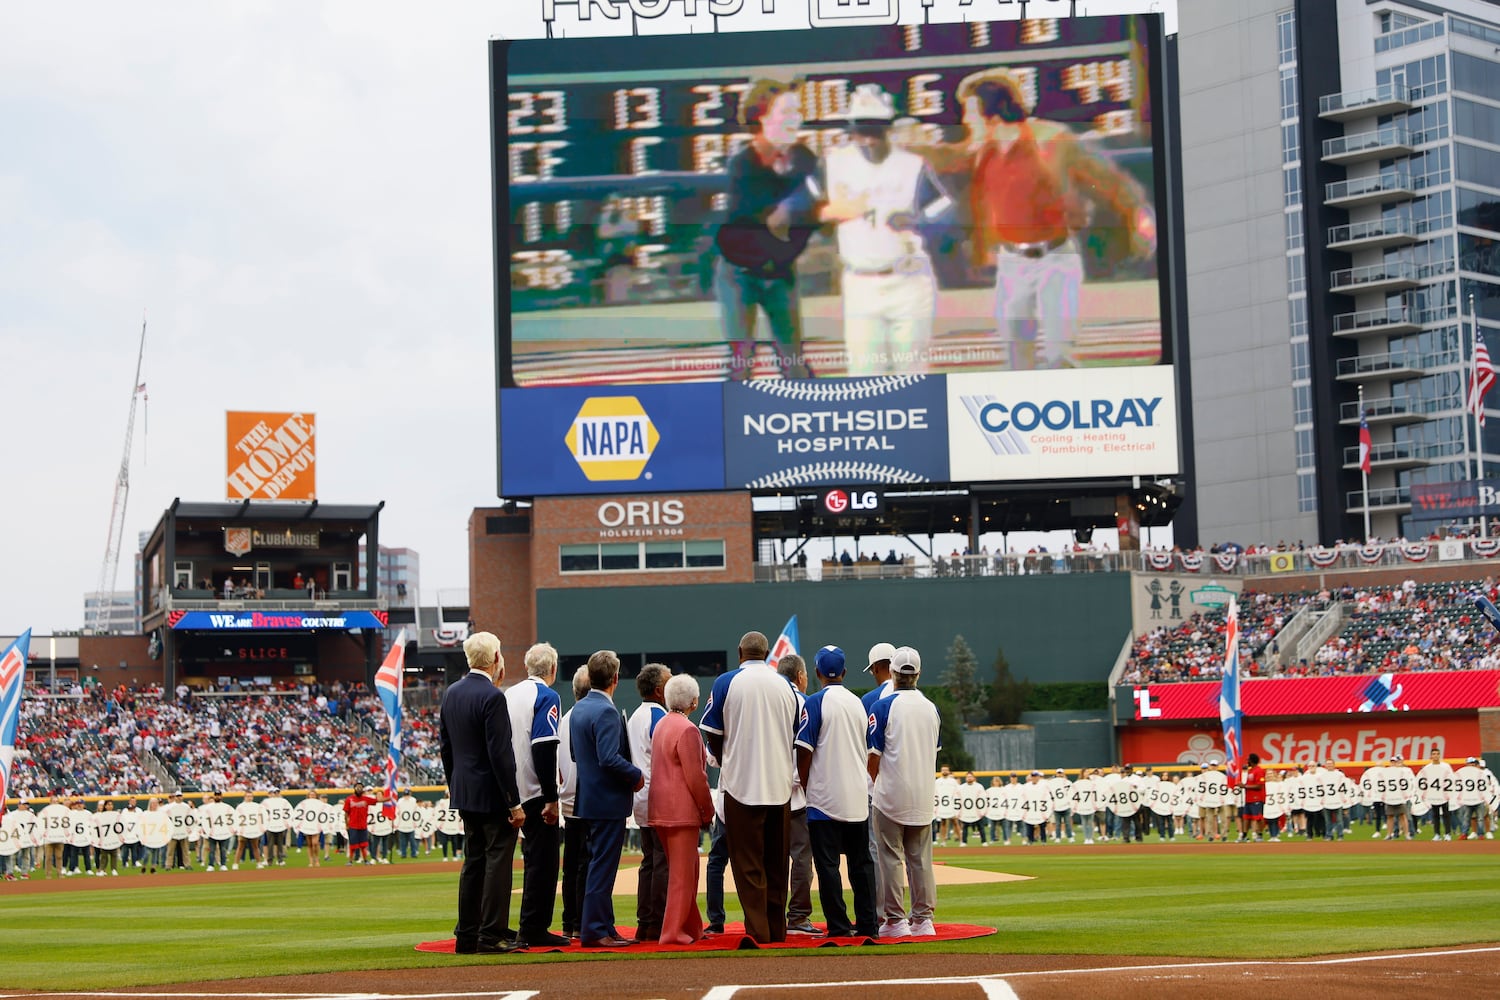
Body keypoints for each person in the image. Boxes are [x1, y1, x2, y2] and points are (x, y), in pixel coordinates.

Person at [955, 67, 1156, 370]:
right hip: (1011, 266)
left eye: (969, 112)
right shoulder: (983, 151)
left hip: (1056, 261)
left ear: (991, 112)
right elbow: (985, 203)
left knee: (1057, 357)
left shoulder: (1051, 140)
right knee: (1016, 360)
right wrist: (985, 249)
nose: (963, 121)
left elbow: (1108, 179)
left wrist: (1140, 217)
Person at [818, 83, 951, 375]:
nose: (868, 140)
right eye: (860, 131)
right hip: (860, 281)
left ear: (888, 130)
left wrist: (917, 220)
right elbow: (811, 211)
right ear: (850, 131)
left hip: (908, 280)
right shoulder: (833, 164)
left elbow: (946, 211)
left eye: (876, 131)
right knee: (864, 376)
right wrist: (833, 212)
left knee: (912, 374)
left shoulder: (911, 165)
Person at [714, 77, 818, 380]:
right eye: (786, 112)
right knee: (740, 362)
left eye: (796, 112)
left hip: (781, 271)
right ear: (762, 117)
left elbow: (812, 213)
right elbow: (769, 220)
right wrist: (798, 206)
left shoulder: (805, 159)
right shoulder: (743, 165)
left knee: (794, 363)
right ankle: (730, 422)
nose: (795, 119)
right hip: (740, 274)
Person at [700, 630, 799, 944]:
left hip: (742, 784)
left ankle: (758, 930)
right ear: (768, 653)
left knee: (747, 863)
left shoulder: (727, 682)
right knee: (777, 861)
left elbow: (712, 731)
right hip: (780, 785)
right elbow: (796, 732)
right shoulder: (785, 685)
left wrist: (721, 754)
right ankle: (776, 929)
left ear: (740, 652)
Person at [439, 631, 527, 955]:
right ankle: (492, 934)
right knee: (498, 863)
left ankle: (467, 935)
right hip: (492, 794)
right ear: (495, 659)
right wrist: (513, 802)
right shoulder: (492, 696)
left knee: (472, 862)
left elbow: (445, 748)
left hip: (465, 792)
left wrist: (456, 787)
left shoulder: (451, 693)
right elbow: (500, 753)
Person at [795, 645, 879, 939]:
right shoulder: (858, 703)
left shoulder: (815, 703)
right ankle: (869, 925)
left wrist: (806, 786)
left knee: (828, 867)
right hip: (856, 796)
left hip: (824, 800)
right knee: (861, 866)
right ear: (844, 672)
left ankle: (839, 927)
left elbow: (803, 752)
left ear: (817, 673)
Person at [571, 649, 644, 949]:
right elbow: (609, 758)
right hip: (607, 801)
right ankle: (595, 929)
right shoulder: (605, 711)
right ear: (615, 678)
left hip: (589, 798)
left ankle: (605, 925)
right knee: (602, 867)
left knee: (596, 865)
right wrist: (636, 774)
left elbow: (578, 756)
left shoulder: (578, 708)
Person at [867, 646, 941, 938]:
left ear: (894, 674)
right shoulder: (931, 708)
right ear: (918, 674)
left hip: (890, 794)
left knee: (889, 858)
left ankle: (895, 920)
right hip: (923, 794)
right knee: (921, 859)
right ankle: (923, 919)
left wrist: (875, 785)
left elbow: (873, 757)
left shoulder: (882, 707)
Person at [504, 641, 567, 948]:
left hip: (508, 789)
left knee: (513, 862)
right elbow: (543, 746)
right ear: (552, 670)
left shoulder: (508, 694)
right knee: (543, 864)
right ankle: (534, 926)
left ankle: (501, 925)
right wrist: (551, 797)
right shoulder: (547, 695)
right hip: (534, 790)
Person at [648, 674, 715, 945]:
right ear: (694, 702)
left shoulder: (662, 724)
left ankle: (693, 926)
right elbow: (696, 777)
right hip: (681, 811)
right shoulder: (688, 730)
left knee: (685, 871)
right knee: (683, 875)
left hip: (661, 808)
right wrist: (707, 809)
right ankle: (672, 931)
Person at [627, 662, 671, 944]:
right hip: (658, 795)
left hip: (640, 797)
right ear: (659, 690)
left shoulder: (635, 715)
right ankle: (657, 922)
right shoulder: (659, 716)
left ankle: (645, 922)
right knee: (662, 861)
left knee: (649, 861)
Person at [556, 665, 592, 940]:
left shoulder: (564, 718)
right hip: (587, 798)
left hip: (567, 797)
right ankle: (582, 921)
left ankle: (570, 921)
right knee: (586, 865)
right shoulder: (589, 715)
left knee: (571, 865)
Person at [341, 784, 384, 866]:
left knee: (363, 845)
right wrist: (347, 824)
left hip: (363, 825)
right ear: (354, 789)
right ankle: (350, 861)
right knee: (353, 845)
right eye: (357, 787)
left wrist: (389, 798)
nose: (359, 789)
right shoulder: (349, 799)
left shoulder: (365, 799)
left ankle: (365, 860)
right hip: (353, 825)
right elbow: (346, 813)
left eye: (360, 787)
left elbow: (377, 801)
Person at [1417, 750, 1454, 841]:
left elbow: (1451, 778)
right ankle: (1437, 834)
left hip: (1443, 793)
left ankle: (1447, 833)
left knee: (1446, 814)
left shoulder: (1446, 766)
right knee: (1435, 815)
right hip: (1433, 793)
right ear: (1431, 756)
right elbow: (1423, 780)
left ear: (1439, 755)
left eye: (1437, 754)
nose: (1436, 756)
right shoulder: (1427, 768)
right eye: (1434, 754)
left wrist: (1449, 792)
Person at [261, 787, 293, 866]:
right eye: (275, 792)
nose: (276, 794)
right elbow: (261, 813)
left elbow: (289, 812)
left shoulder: (284, 802)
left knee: (280, 844)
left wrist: (288, 823)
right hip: (270, 825)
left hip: (280, 825)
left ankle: (280, 859)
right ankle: (270, 860)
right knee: (270, 844)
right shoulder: (266, 802)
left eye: (277, 792)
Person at [1241, 754, 1268, 841]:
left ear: (1251, 761)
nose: (1247, 762)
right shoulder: (1250, 771)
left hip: (1257, 798)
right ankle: (1244, 836)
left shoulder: (1259, 771)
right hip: (1249, 798)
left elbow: (1259, 786)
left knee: (1258, 817)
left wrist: (1245, 786)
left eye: (1248, 760)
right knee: (1246, 817)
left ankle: (1259, 835)